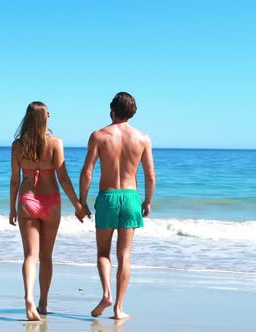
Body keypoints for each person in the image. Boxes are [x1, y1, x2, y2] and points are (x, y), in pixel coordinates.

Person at [78, 92, 156, 320]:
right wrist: (148, 201)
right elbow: (150, 175)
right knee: (125, 255)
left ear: (112, 110)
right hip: (131, 197)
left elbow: (87, 172)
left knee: (103, 252)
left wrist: (82, 202)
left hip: (108, 197)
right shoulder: (142, 138)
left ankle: (106, 294)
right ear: (133, 113)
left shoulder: (99, 135)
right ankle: (119, 309)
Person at [9, 101, 85, 321]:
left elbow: (15, 180)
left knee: (30, 255)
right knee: (46, 256)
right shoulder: (55, 143)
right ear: (45, 118)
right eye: (48, 112)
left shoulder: (17, 146)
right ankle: (42, 303)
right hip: (51, 202)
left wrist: (12, 207)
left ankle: (29, 299)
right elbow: (63, 176)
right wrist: (78, 205)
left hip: (26, 199)